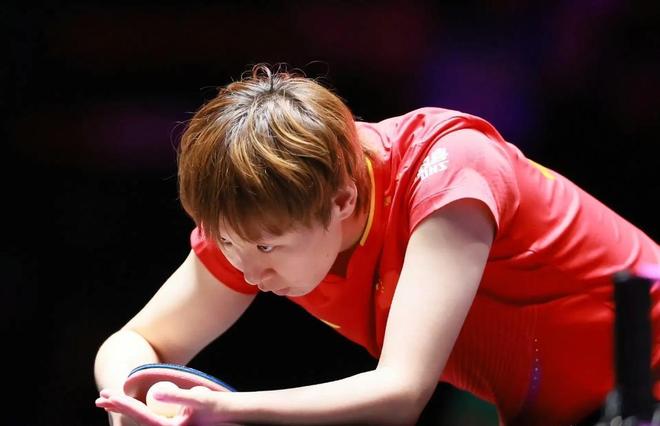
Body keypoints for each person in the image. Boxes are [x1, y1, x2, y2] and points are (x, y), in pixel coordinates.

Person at [94, 64, 660, 426]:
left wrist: (224, 410)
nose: (246, 273)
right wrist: (133, 400)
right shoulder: (258, 218)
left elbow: (399, 394)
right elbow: (137, 341)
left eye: (267, 250)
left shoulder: (448, 177)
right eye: (226, 243)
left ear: (343, 199)